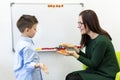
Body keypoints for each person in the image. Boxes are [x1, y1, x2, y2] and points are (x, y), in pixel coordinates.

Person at [60, 9, 119, 80]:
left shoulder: (102, 41)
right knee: (69, 76)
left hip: (106, 75)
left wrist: (75, 55)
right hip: (95, 71)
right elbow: (89, 58)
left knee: (73, 78)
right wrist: (76, 50)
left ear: (89, 23)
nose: (78, 26)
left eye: (80, 23)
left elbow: (93, 64)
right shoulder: (90, 39)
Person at [13, 15, 48, 80]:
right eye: (34, 29)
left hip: (21, 76)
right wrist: (39, 64)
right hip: (29, 77)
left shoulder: (20, 42)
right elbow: (28, 66)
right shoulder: (27, 46)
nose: (36, 31)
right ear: (27, 30)